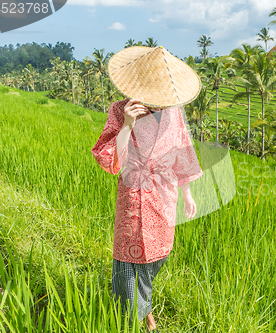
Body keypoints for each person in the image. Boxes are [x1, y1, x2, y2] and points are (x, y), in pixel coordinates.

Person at [91, 46, 203, 332]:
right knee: (128, 261)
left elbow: (183, 151)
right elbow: (110, 158)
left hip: (164, 195)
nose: (157, 103)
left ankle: (143, 308)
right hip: (133, 196)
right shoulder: (120, 110)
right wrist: (127, 124)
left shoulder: (174, 112)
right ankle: (132, 319)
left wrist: (187, 193)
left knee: (156, 257)